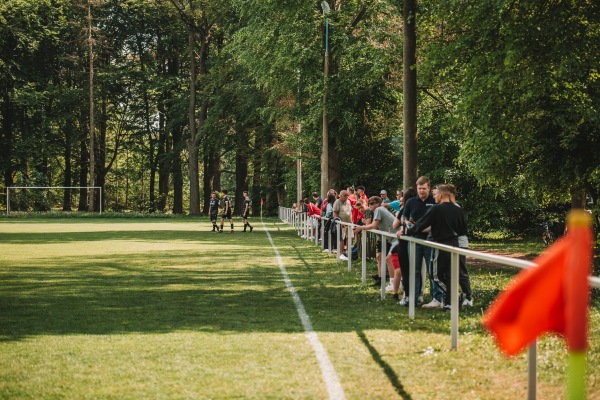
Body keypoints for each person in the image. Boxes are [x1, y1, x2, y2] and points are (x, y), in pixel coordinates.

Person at [401, 184, 468, 311]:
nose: (434, 197)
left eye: (436, 194)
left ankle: (454, 295)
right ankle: (449, 304)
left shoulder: (436, 209)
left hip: (440, 244)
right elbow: (462, 229)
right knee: (449, 274)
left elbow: (420, 225)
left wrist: (409, 230)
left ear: (441, 195)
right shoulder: (458, 209)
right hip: (455, 244)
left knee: (435, 275)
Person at [402, 176, 439, 308]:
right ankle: (415, 297)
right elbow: (404, 216)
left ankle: (436, 298)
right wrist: (406, 223)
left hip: (431, 239)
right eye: (419, 189)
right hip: (415, 238)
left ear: (429, 188)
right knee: (415, 269)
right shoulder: (411, 201)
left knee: (432, 270)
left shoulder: (435, 201)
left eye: (424, 188)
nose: (421, 191)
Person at [353, 196, 398, 287]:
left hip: (395, 238)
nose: (370, 205)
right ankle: (381, 279)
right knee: (380, 256)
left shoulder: (378, 210)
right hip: (389, 237)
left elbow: (373, 225)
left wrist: (361, 228)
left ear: (378, 203)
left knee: (390, 259)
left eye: (372, 203)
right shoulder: (379, 210)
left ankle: (393, 283)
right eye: (369, 203)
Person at [447, 184, 473, 306]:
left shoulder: (456, 208)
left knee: (460, 270)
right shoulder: (450, 208)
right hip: (452, 242)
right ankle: (458, 295)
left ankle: (468, 297)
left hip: (460, 243)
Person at [333, 190, 352, 260]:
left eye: (347, 195)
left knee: (349, 237)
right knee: (342, 238)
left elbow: (350, 212)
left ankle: (348, 252)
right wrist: (339, 222)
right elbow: (335, 213)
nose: (347, 197)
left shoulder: (348, 201)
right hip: (342, 224)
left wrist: (351, 221)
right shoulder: (337, 202)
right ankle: (341, 253)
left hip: (349, 223)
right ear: (340, 196)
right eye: (345, 195)